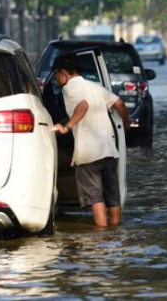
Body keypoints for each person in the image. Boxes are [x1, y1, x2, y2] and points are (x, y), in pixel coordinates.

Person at [52, 53, 130, 227]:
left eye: (57, 74)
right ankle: (114, 232)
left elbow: (83, 105)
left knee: (95, 197)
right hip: (108, 149)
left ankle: (101, 238)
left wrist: (67, 126)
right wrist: (125, 125)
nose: (57, 78)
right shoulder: (95, 87)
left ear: (63, 72)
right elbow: (120, 103)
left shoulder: (69, 88)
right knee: (112, 195)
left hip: (88, 153)